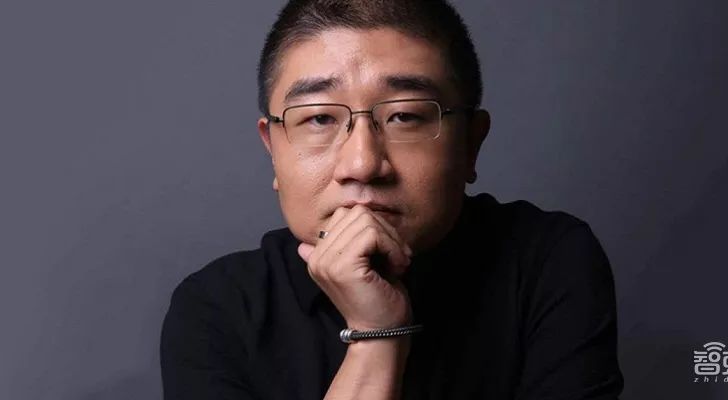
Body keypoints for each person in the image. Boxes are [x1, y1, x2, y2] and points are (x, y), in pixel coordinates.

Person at [160, 0, 625, 399]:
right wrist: (375, 337)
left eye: (404, 116)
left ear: (471, 144)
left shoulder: (547, 262)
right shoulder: (217, 310)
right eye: (319, 118)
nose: (362, 164)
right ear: (273, 151)